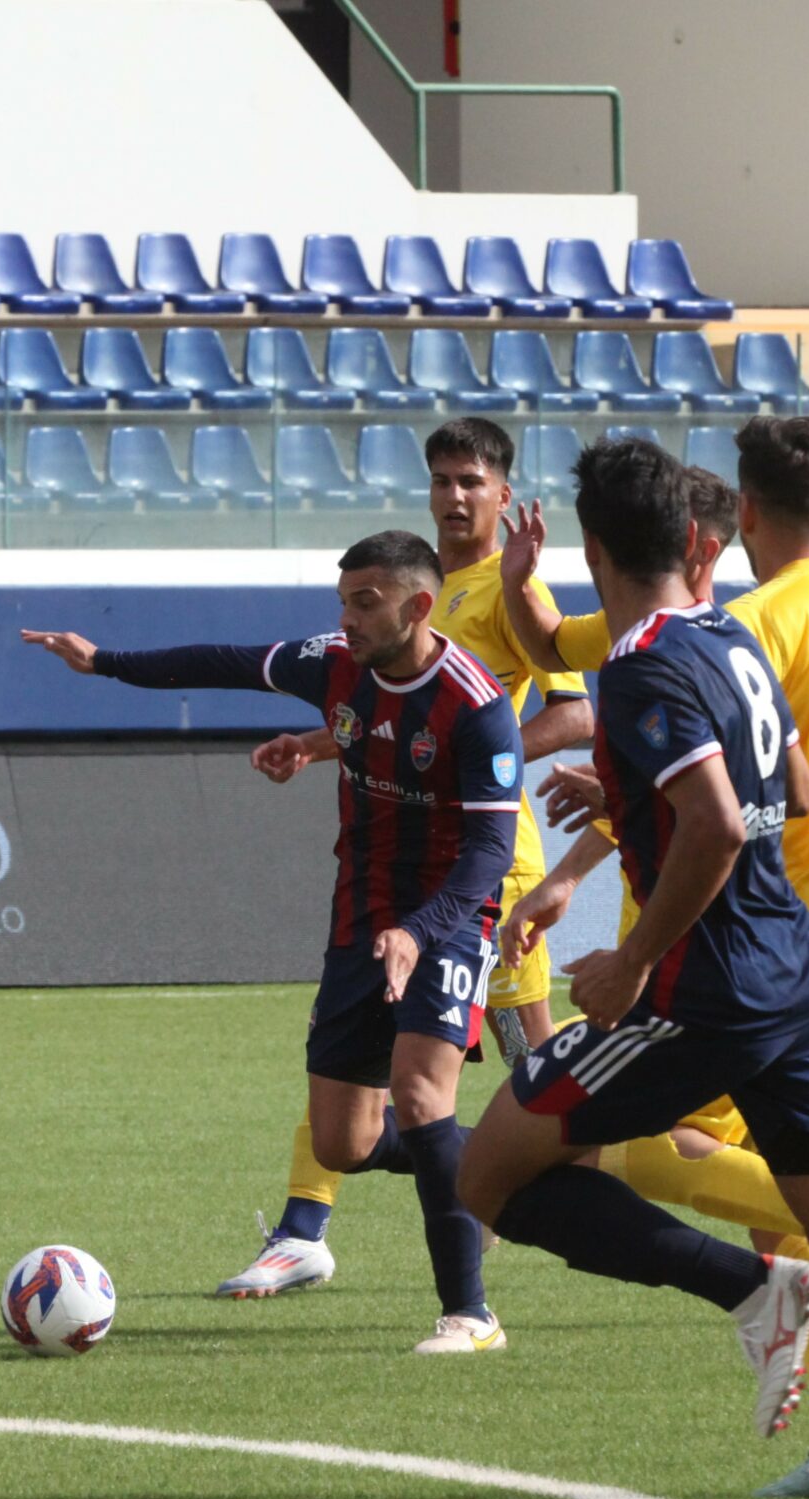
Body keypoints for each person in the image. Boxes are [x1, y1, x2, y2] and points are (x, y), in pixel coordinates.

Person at [456, 437, 809, 1499]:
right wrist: (644, 799)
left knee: (488, 1173)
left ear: (594, 549)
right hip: (804, 967)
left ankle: (754, 1292)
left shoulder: (645, 663)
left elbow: (717, 822)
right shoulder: (734, 633)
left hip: (708, 990)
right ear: (696, 542)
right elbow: (795, 790)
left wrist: (630, 959)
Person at [21, 529, 524, 1356]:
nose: (347, 619)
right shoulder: (334, 663)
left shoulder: (476, 705)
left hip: (447, 917)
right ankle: (495, 1164)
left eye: (365, 602)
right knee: (343, 1143)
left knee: (421, 1092)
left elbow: (489, 854)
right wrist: (103, 661)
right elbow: (220, 660)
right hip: (360, 916)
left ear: (418, 606)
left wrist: (420, 930)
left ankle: (471, 1315)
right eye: (343, 600)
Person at [218, 419, 592, 1303]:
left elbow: (575, 713)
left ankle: (578, 1195)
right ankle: (306, 1226)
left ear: (504, 495)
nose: (454, 497)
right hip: (409, 860)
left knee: (538, 1077)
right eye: (441, 480)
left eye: (472, 481)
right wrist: (323, 743)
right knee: (364, 1052)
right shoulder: (414, 583)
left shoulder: (511, 587)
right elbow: (394, 716)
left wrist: (477, 756)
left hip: (484, 869)